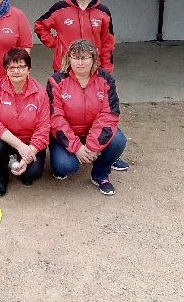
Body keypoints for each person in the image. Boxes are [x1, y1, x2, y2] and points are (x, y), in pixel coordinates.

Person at [34, 0, 128, 171]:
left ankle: (105, 153)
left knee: (98, 112)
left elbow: (108, 42)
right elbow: (39, 24)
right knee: (64, 113)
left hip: (94, 71)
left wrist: (107, 69)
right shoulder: (60, 8)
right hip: (64, 70)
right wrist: (54, 43)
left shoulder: (103, 12)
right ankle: (70, 148)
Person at [47, 39, 127, 196]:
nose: (80, 62)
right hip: (68, 134)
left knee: (118, 140)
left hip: (93, 133)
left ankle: (100, 174)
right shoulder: (56, 81)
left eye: (85, 57)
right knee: (64, 166)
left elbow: (109, 114)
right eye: (76, 57)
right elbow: (55, 119)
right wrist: (77, 147)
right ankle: (69, 160)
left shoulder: (106, 79)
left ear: (94, 59)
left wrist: (91, 146)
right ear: (68, 58)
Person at [0, 48, 50, 197]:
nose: (16, 71)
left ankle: (22, 164)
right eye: (11, 67)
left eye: (21, 67)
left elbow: (43, 128)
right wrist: (19, 146)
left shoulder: (40, 93)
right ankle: (2, 175)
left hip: (30, 143)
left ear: (29, 69)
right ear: (5, 70)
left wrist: (28, 153)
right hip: (6, 140)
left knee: (31, 175)